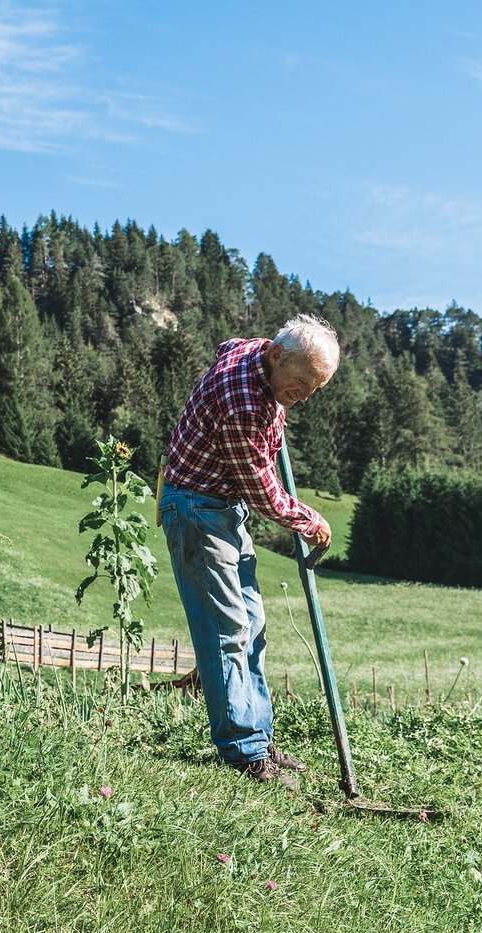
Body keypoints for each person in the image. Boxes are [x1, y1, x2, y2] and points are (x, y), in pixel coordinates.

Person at [158, 313, 339, 789]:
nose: (299, 398)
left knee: (253, 624)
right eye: (298, 384)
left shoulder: (261, 354)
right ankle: (242, 750)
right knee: (228, 629)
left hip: (222, 504)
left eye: (310, 391)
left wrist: (279, 410)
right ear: (277, 356)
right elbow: (260, 491)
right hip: (197, 508)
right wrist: (308, 519)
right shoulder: (242, 402)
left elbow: (229, 343)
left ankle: (257, 734)